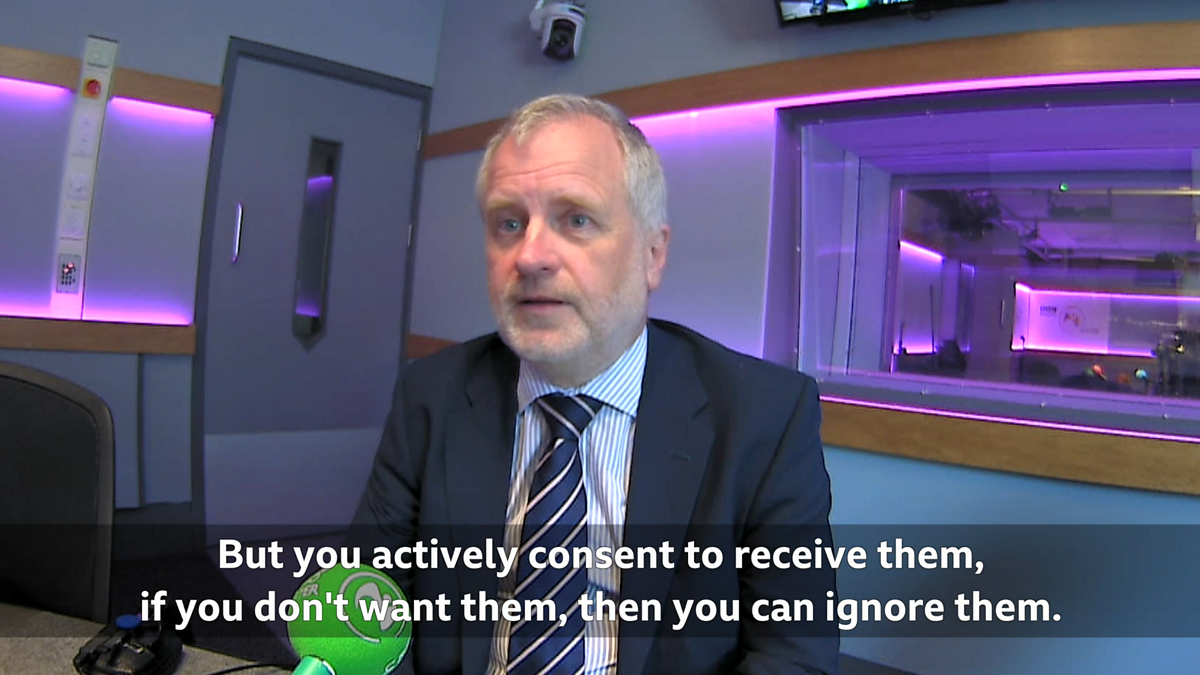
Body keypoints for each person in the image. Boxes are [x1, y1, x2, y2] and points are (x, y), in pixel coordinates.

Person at [350, 94, 838, 675]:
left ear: (652, 255)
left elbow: (793, 657)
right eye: (509, 224)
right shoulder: (430, 395)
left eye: (576, 219)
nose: (530, 256)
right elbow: (360, 608)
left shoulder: (765, 417)